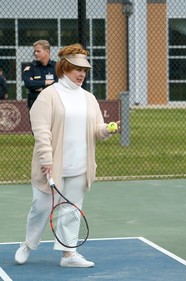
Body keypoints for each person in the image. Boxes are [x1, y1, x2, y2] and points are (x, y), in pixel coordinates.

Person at [15, 43, 120, 268]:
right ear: (64, 68)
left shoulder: (89, 98)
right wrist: (47, 161)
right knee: (40, 208)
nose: (81, 74)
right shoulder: (48, 96)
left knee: (71, 210)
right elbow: (41, 132)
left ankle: (68, 255)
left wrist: (108, 129)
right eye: (77, 69)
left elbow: (96, 130)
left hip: (79, 165)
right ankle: (28, 244)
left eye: (84, 70)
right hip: (51, 167)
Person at [22, 40, 58, 109]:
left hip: (52, 103)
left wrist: (40, 87)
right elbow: (28, 83)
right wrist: (46, 82)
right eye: (35, 51)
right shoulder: (30, 67)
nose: (35, 53)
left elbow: (59, 83)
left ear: (47, 51)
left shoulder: (56, 67)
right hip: (35, 104)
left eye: (38, 51)